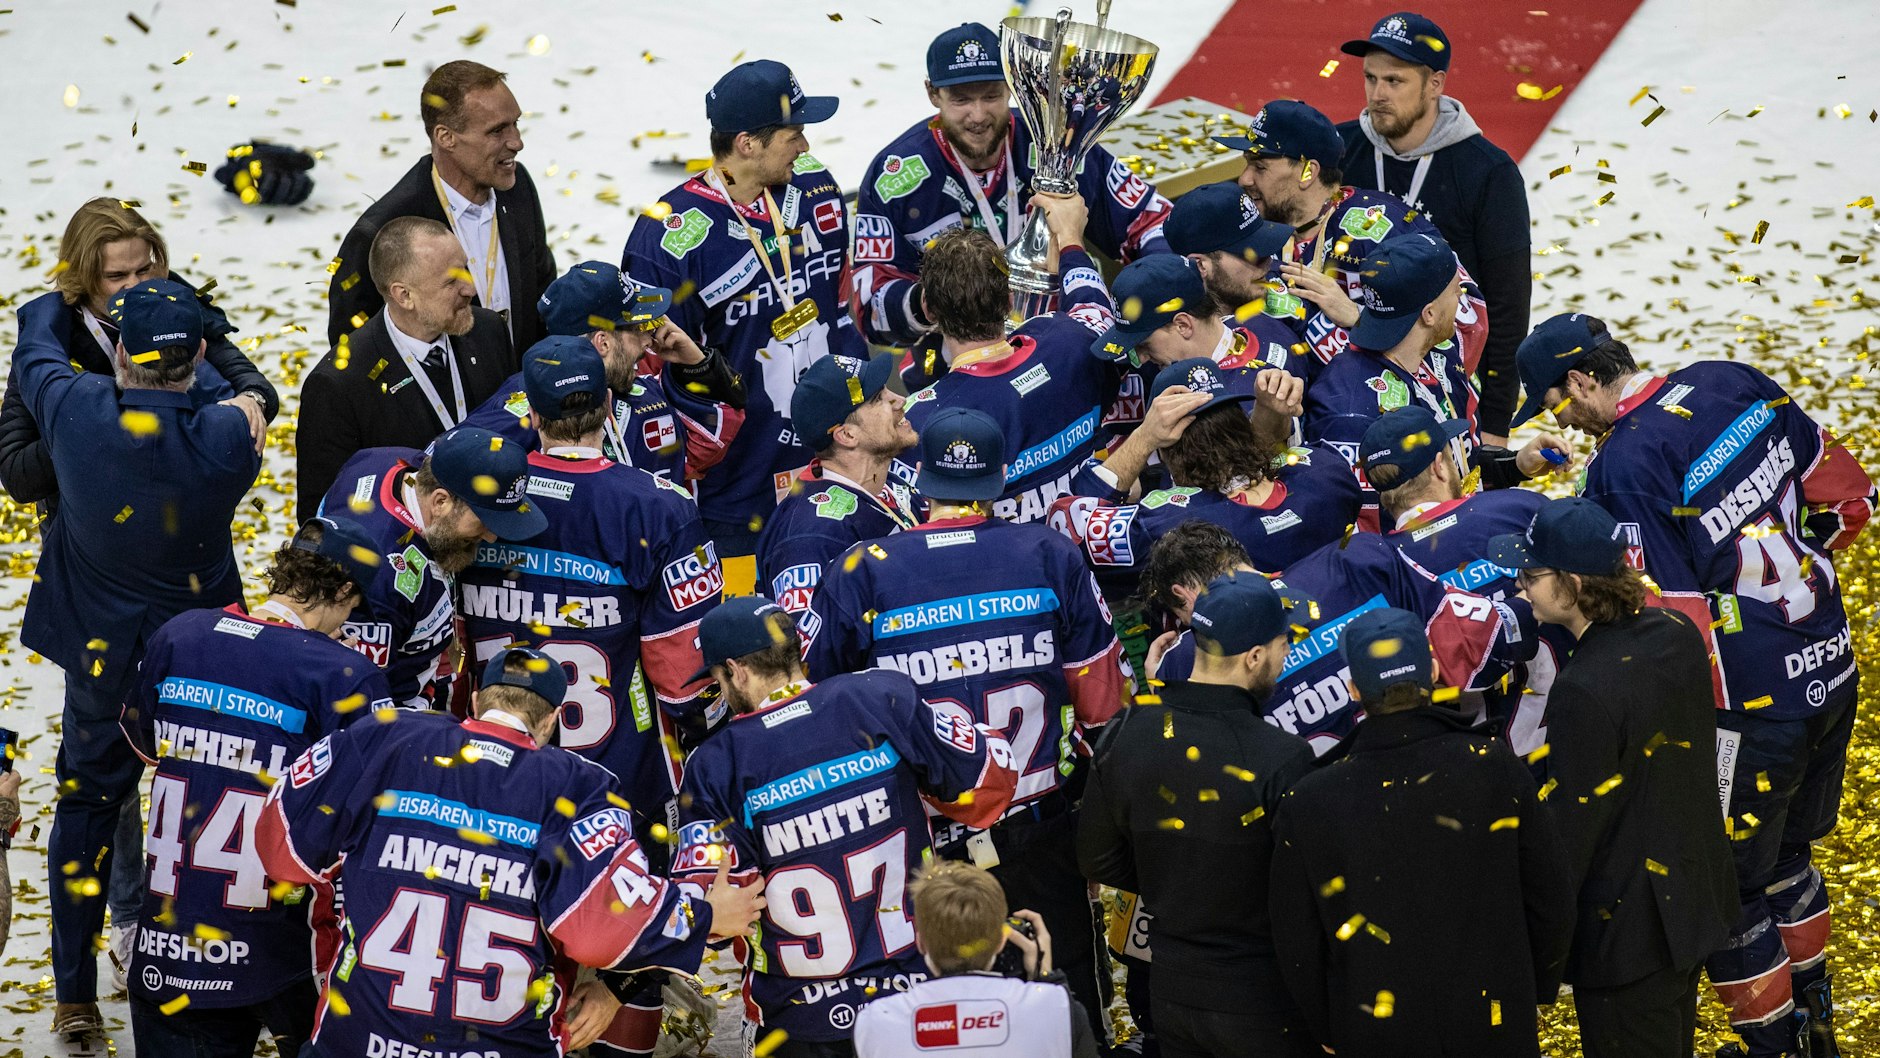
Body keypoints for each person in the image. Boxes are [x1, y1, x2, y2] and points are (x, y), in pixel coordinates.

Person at [1509, 312, 1876, 1057]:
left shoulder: (1623, 465)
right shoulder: (1729, 378)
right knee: (1789, 860)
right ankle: (1819, 1028)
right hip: (1832, 666)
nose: (1562, 421)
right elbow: (1849, 500)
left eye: (1555, 403)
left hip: (1752, 707)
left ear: (1580, 380)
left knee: (1728, 889)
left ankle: (1779, 1050)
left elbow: (1672, 625)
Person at [256, 646, 767, 1058]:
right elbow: (598, 932)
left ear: (477, 698)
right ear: (551, 722)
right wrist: (702, 917)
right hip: (504, 1042)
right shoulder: (578, 785)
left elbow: (280, 850)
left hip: (358, 1038)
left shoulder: (386, 736)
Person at [806, 408, 1132, 1045]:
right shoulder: (1049, 553)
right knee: (1061, 1024)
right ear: (1000, 477)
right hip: (1036, 833)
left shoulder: (862, 568)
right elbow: (1102, 706)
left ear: (922, 481)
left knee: (928, 1033)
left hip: (919, 853)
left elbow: (826, 714)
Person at [17, 279, 263, 1039]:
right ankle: (224, 973)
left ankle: (73, 994)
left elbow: (35, 347)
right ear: (197, 355)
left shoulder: (76, 409)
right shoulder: (230, 433)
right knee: (211, 807)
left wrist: (61, 298)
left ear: (118, 352)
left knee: (86, 811)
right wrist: (210, 329)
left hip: (103, 659)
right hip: (202, 659)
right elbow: (251, 386)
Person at [672, 598, 1017, 1055]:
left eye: (717, 680)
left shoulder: (717, 764)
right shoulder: (878, 696)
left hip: (799, 1019)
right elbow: (992, 778)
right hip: (920, 996)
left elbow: (711, 911)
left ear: (736, 671)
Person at [119, 517, 394, 1058]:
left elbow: (147, 745)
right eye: (353, 607)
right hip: (285, 951)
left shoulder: (180, 634)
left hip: (170, 945)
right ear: (342, 591)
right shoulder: (344, 674)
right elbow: (372, 818)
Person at [1486, 497, 1737, 1058]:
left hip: (1628, 939)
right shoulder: (1676, 630)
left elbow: (1573, 837)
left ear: (1572, 583)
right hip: (1692, 904)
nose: (1521, 589)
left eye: (1531, 575)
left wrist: (1536, 960)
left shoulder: (1583, 690)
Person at [1268, 607, 1574, 1057]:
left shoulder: (1308, 801)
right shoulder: (1494, 767)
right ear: (1433, 672)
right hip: (1494, 1020)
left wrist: (1327, 1028)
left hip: (1375, 1033)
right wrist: (1533, 988)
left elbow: (1296, 939)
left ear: (1354, 691)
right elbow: (1551, 894)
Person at [459, 336, 722, 832]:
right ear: (608, 405)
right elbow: (683, 680)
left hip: (496, 771)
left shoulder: (479, 500)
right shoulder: (658, 507)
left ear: (532, 415)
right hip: (619, 781)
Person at [621, 59, 862, 589]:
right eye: (793, 135)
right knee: (752, 631)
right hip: (734, 492)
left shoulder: (816, 189)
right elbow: (647, 379)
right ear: (747, 144)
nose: (805, 146)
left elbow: (842, 309)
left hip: (836, 466)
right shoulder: (668, 238)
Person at [1080, 571, 1319, 1058]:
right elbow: (1302, 898)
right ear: (1254, 657)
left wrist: (1170, 879)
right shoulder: (1283, 757)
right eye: (1283, 645)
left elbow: (1096, 859)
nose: (1285, 657)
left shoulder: (1127, 730)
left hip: (1171, 991)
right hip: (1260, 998)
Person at [850, 22, 1172, 347]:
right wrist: (935, 298)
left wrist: (1149, 297)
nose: (978, 115)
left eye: (991, 96)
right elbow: (871, 312)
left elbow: (1154, 221)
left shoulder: (1058, 143)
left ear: (1011, 85)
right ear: (933, 93)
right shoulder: (894, 178)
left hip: (1065, 347)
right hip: (957, 363)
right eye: (961, 100)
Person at [1, 196, 276, 514]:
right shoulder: (51, 337)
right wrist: (96, 428)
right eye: (116, 276)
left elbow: (252, 383)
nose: (134, 287)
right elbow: (17, 474)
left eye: (143, 270)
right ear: (83, 274)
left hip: (179, 510)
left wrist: (251, 401)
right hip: (89, 525)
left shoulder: (171, 305)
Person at [1336, 12, 1529, 442]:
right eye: (1370, 78)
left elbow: (1508, 307)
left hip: (1449, 388)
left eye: (1395, 81)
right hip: (1344, 376)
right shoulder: (1339, 151)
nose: (1378, 94)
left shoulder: (1488, 173)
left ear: (1435, 84)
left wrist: (1496, 424)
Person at [1215, 98, 1487, 393]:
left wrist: (1361, 318)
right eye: (1246, 164)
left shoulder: (1383, 230)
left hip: (1396, 413)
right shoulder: (1259, 230)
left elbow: (1466, 329)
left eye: (1260, 167)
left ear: (1308, 172)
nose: (1244, 179)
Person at [1302, 233, 1563, 529]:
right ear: (1429, 314)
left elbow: (1456, 466)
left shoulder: (1441, 356)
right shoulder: (1351, 412)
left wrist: (1514, 465)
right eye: (1455, 291)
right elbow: (1358, 533)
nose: (1462, 300)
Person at [1051, 360, 1356, 604]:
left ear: (1167, 453)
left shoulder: (1171, 527)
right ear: (1241, 424)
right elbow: (1272, 462)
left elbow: (1066, 531)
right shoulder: (1327, 471)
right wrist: (1270, 416)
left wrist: (1143, 438)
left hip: (1229, 656)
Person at [898, 215, 1128, 524]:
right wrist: (1071, 241)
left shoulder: (920, 423)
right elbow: (1093, 306)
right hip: (1101, 538)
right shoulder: (1071, 340)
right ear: (1009, 300)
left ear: (927, 309)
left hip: (1013, 555)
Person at [1360, 405, 1564, 749]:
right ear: (1439, 466)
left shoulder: (1381, 570)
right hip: (1560, 738)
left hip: (1461, 762)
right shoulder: (1519, 507)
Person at [326, 59, 555, 350]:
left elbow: (542, 292)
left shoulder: (517, 188)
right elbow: (351, 349)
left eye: (516, 124)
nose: (516, 142)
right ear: (446, 137)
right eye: (497, 131)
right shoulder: (382, 232)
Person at [298, 216, 518, 516]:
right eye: (451, 282)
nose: (470, 288)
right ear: (404, 295)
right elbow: (322, 511)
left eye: (465, 269)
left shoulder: (488, 330)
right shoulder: (338, 385)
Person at [314, 424, 546, 709]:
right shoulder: (379, 579)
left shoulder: (387, 459)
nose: (491, 537)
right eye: (483, 520)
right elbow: (360, 699)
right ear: (440, 501)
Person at [463, 260, 746, 486]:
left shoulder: (645, 390)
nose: (649, 340)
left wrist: (696, 364)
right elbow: (445, 470)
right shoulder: (529, 405)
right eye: (638, 328)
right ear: (604, 343)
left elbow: (707, 446)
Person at [854, 862, 1098, 1058]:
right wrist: (1046, 978)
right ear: (1002, 940)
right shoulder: (1056, 1007)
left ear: (920, 942)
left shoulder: (874, 1023)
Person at [755, 353, 920, 619]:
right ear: (847, 435)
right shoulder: (811, 539)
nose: (900, 400)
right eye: (879, 398)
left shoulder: (890, 484)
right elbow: (805, 640)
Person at [1117, 187, 1305, 382]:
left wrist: (1331, 309)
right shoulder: (1161, 337)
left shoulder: (1290, 282)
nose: (1267, 262)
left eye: (1265, 247)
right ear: (1200, 265)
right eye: (1251, 254)